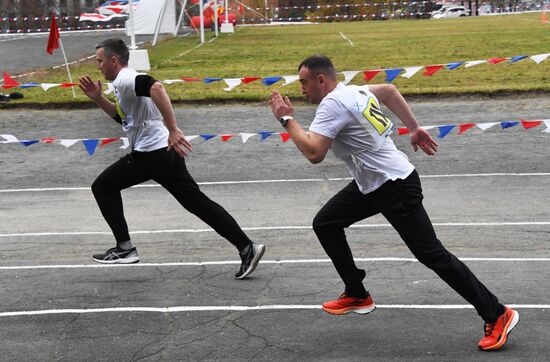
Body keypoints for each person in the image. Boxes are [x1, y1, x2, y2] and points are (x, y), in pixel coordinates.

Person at [268, 55, 518, 350]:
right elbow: (388, 90)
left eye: (304, 82)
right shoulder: (354, 91)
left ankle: (497, 313)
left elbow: (314, 153)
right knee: (326, 222)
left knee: (432, 255)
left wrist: (286, 119)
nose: (301, 89)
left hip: (395, 186)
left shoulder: (333, 103)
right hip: (372, 184)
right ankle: (357, 293)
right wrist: (414, 127)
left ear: (321, 80)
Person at [78, 38, 264, 279]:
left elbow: (157, 88)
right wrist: (97, 98)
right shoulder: (122, 83)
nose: (98, 66)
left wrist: (174, 128)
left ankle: (125, 248)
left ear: (114, 61)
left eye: (100, 61)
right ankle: (247, 247)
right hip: (166, 153)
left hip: (151, 154)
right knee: (196, 202)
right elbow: (122, 118)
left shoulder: (125, 78)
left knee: (102, 187)